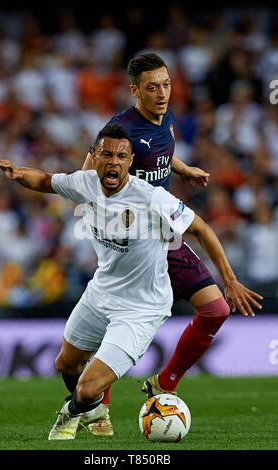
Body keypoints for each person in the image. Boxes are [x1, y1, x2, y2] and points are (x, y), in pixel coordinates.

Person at [81, 54, 263, 435]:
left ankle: (163, 385)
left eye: (165, 84)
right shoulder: (119, 129)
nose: (162, 92)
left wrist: (183, 169)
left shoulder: (166, 118)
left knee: (215, 311)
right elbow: (87, 175)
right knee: (118, 318)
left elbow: (160, 153)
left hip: (166, 236)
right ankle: (99, 408)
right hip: (131, 244)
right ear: (135, 91)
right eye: (152, 87)